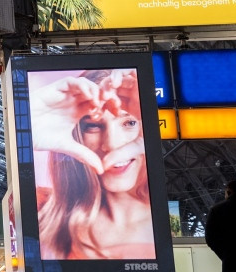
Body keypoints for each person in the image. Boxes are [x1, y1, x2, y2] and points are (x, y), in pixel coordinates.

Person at [31, 69, 155, 259]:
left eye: (129, 123)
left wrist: (154, 129)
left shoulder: (164, 221)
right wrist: (27, 126)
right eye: (94, 126)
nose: (112, 144)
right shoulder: (45, 225)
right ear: (77, 135)